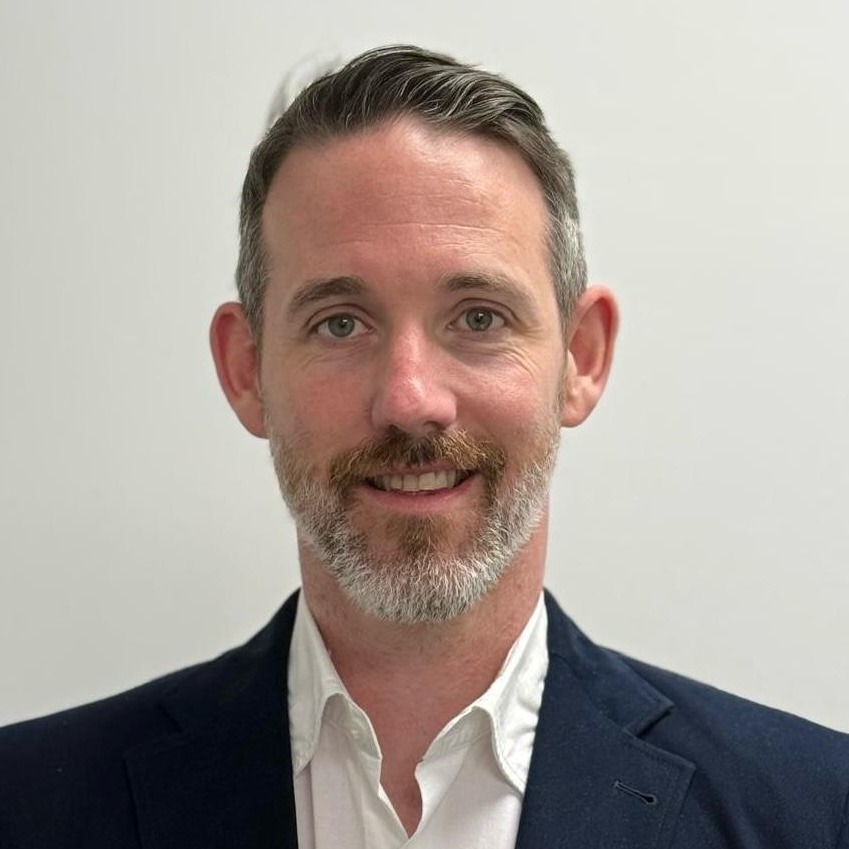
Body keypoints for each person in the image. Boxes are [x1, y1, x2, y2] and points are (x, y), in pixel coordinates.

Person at [0, 44, 847, 849]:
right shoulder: (27, 806)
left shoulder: (811, 814)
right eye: (340, 323)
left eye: (478, 317)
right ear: (246, 370)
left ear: (579, 357)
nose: (409, 399)